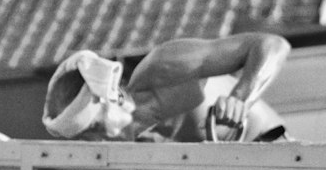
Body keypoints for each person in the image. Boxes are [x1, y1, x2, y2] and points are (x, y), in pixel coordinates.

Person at [42, 32, 291, 142]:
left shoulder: (162, 68)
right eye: (86, 138)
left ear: (114, 97)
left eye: (95, 128)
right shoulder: (139, 148)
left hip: (277, 148)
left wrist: (240, 99)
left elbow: (271, 44)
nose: (97, 143)